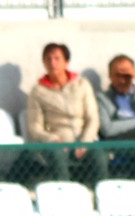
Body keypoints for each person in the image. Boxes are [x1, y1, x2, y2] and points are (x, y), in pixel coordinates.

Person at [24, 43, 98, 180]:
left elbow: (92, 117)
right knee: (57, 155)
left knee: (99, 155)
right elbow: (34, 127)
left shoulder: (82, 84)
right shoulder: (38, 91)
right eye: (48, 59)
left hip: (84, 139)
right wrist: (52, 139)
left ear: (66, 62)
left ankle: (100, 193)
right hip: (58, 142)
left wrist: (85, 142)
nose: (52, 63)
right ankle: (64, 194)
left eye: (57, 58)